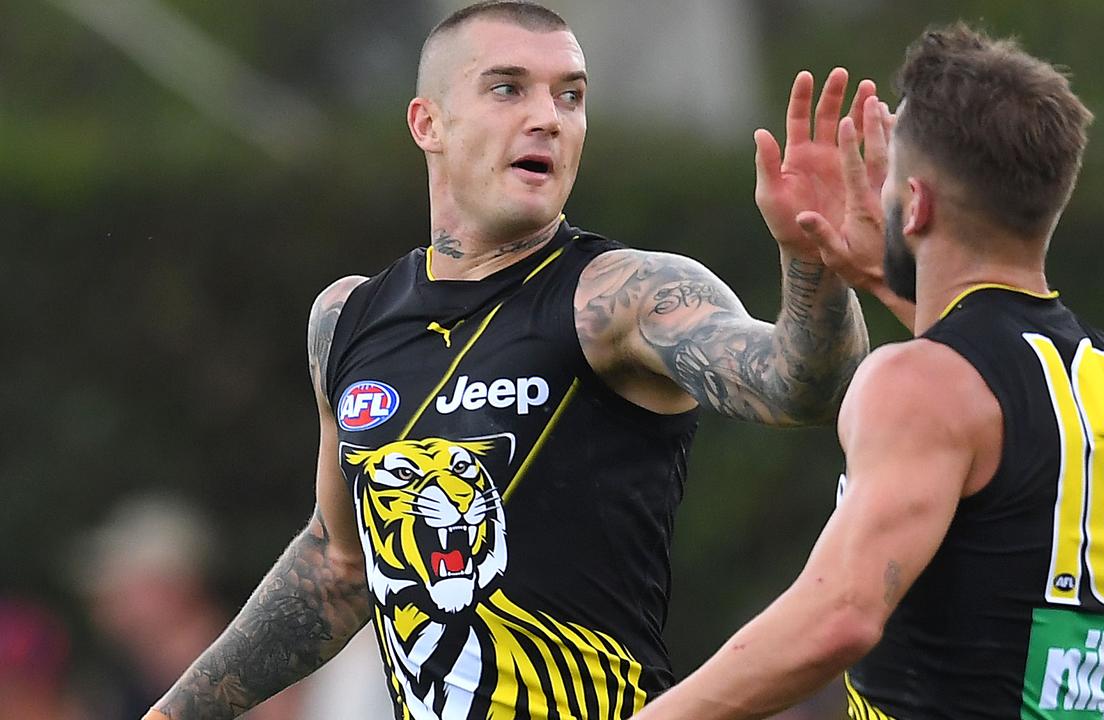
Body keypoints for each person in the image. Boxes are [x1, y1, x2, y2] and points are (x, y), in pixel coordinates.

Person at [143, 2, 878, 718]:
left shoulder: (622, 295)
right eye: (508, 88)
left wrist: (813, 261)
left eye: (571, 95)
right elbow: (341, 566)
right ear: (428, 123)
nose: (548, 117)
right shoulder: (347, 319)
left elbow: (804, 390)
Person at [631, 22, 1104, 720]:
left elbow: (839, 619)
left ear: (916, 203)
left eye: (886, 179)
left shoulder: (917, 382)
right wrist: (879, 274)